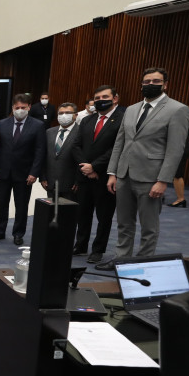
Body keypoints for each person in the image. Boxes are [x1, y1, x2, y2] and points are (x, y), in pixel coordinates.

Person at [101, 67, 189, 267]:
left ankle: (143, 264)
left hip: (151, 178)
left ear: (165, 84)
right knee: (124, 223)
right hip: (124, 175)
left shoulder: (177, 109)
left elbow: (175, 149)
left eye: (156, 81)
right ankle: (122, 260)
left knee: (149, 227)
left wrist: (163, 180)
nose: (151, 84)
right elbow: (120, 142)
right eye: (147, 81)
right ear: (141, 84)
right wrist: (113, 172)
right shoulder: (131, 109)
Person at [72, 85, 125, 264]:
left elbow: (118, 148)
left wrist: (94, 167)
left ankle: (98, 250)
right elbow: (76, 145)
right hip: (84, 176)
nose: (100, 100)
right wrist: (86, 168)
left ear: (115, 98)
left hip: (106, 177)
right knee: (83, 213)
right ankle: (81, 245)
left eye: (105, 96)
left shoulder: (123, 118)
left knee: (104, 216)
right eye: (97, 97)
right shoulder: (87, 120)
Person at [0, 94, 46, 245]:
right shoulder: (3, 123)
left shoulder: (38, 125)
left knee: (21, 205)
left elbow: (40, 151)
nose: (20, 110)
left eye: (23, 107)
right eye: (17, 108)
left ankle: (18, 233)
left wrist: (34, 172)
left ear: (28, 107)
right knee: (2, 203)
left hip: (25, 173)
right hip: (3, 171)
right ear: (12, 108)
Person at [40, 103, 80, 200]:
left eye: (68, 112)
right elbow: (43, 155)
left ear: (76, 115)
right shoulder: (49, 132)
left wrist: (78, 181)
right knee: (51, 213)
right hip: (50, 182)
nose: (64, 115)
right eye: (61, 113)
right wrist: (43, 177)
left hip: (71, 184)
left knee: (68, 214)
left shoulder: (81, 132)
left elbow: (83, 158)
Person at [167, 117, 189, 208]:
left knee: (177, 175)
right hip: (183, 148)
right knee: (175, 174)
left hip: (179, 149)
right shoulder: (188, 118)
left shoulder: (181, 120)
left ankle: (180, 199)